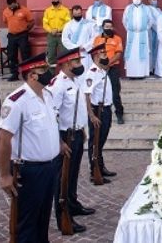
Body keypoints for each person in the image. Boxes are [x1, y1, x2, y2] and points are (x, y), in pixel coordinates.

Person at [0, 53, 63, 242]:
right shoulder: (17, 100)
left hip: (50, 166)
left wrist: (59, 144)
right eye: (43, 70)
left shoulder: (47, 95)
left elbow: (51, 126)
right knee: (27, 221)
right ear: (32, 75)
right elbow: (3, 139)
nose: (48, 73)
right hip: (29, 170)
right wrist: (4, 175)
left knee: (43, 217)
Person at [48, 48, 95, 232]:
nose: (80, 65)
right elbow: (52, 114)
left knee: (73, 172)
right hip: (64, 136)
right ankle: (63, 215)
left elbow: (77, 108)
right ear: (66, 64)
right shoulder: (58, 84)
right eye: (76, 62)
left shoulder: (74, 81)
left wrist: (82, 128)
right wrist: (59, 142)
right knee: (63, 178)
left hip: (76, 133)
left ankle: (73, 203)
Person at [84, 44, 116, 182]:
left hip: (106, 109)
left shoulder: (102, 71)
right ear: (96, 55)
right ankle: (94, 171)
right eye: (103, 54)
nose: (106, 56)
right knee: (95, 142)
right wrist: (91, 115)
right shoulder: (92, 72)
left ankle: (101, 167)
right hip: (98, 110)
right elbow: (87, 94)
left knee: (101, 141)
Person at [93, 19, 125, 124]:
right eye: (106, 27)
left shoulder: (117, 39)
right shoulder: (97, 39)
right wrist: (100, 66)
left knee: (115, 92)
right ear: (102, 27)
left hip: (113, 68)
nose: (108, 29)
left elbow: (118, 54)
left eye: (110, 27)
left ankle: (119, 114)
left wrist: (108, 64)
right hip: (100, 69)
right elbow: (94, 54)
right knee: (99, 91)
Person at [2, 0, 34, 81]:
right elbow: (5, 22)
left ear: (16, 3)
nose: (11, 7)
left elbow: (31, 21)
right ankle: (14, 74)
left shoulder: (24, 10)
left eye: (13, 6)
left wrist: (27, 30)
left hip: (22, 35)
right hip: (12, 36)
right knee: (11, 55)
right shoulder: (5, 11)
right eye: (10, 6)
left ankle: (26, 73)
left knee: (25, 54)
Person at [123, 0, 153, 78]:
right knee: (131, 54)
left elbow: (150, 20)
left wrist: (145, 29)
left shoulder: (146, 9)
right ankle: (131, 74)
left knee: (143, 52)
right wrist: (130, 29)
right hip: (131, 34)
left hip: (142, 34)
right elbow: (124, 20)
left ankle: (142, 73)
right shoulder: (128, 8)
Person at [61, 5, 97, 70]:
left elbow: (94, 37)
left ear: (81, 13)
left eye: (79, 14)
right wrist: (75, 47)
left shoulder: (89, 24)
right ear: (72, 14)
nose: (77, 15)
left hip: (85, 52)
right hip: (73, 53)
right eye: (75, 14)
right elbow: (65, 39)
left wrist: (85, 46)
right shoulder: (68, 25)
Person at [43, 0, 71, 65]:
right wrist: (51, 31)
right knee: (51, 55)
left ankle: (65, 73)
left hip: (62, 35)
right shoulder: (47, 11)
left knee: (64, 54)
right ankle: (52, 73)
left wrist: (58, 30)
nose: (54, 1)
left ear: (60, 0)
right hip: (51, 36)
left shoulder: (66, 10)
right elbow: (45, 24)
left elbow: (68, 23)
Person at [146, 0, 161, 75]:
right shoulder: (148, 9)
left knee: (157, 50)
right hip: (152, 32)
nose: (155, 1)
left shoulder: (158, 10)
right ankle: (150, 68)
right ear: (148, 0)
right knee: (151, 50)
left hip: (159, 33)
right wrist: (158, 30)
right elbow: (152, 21)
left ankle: (156, 67)